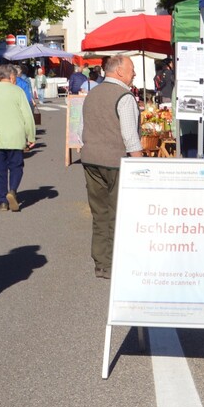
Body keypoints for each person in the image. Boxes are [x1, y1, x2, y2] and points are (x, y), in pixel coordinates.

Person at [78, 54, 143, 278]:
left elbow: (80, 130)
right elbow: (130, 136)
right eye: (132, 69)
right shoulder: (124, 97)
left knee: (100, 213)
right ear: (119, 71)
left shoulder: (92, 94)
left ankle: (102, 263)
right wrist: (141, 165)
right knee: (119, 212)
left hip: (91, 159)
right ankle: (117, 262)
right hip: (116, 161)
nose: (134, 73)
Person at [0, 64, 36, 212]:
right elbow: (27, 115)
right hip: (16, 136)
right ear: (12, 77)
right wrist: (31, 136)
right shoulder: (18, 91)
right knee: (16, 166)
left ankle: (2, 201)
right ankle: (12, 190)